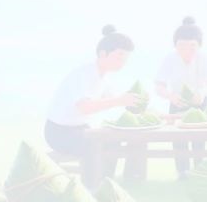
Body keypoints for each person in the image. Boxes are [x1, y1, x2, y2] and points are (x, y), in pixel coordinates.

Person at [44, 26, 139, 185]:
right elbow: (84, 107)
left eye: (125, 58)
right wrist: (119, 100)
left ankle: (106, 182)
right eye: (119, 57)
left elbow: (115, 101)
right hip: (59, 132)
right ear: (103, 54)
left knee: (113, 141)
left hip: (82, 129)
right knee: (94, 145)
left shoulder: (104, 77)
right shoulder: (84, 73)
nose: (122, 62)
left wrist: (138, 106)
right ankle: (91, 187)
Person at [155, 17, 207, 175]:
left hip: (200, 101)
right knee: (178, 139)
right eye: (181, 46)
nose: (186, 51)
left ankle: (199, 170)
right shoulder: (170, 58)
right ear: (175, 45)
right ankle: (182, 172)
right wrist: (170, 96)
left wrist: (203, 92)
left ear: (199, 45)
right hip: (176, 101)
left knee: (199, 139)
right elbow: (159, 86)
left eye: (192, 46)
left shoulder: (204, 58)